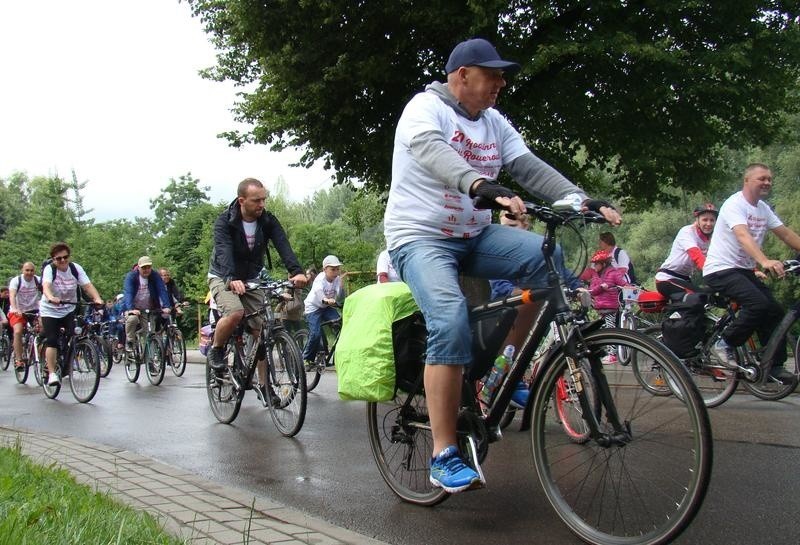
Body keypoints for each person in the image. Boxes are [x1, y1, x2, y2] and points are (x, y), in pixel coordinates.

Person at [383, 37, 621, 493]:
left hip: (474, 236)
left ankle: (501, 368)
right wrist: (478, 183)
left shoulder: (493, 121)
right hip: (421, 238)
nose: (501, 82)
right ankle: (443, 453)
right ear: (462, 75)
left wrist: (579, 198)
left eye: (502, 75)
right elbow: (435, 155)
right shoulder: (423, 109)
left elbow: (528, 167)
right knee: (450, 320)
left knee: (545, 260)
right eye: (492, 74)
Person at [206, 178, 307, 401]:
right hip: (223, 275)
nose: (262, 204)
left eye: (264, 199)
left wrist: (295, 271)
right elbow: (223, 250)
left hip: (251, 278)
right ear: (242, 201)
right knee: (235, 313)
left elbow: (282, 243)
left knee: (263, 331)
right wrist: (231, 277)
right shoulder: (225, 221)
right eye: (256, 200)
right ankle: (217, 348)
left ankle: (265, 386)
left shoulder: (267, 220)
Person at [703, 163, 800, 383]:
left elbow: (785, 234)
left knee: (774, 311)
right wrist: (764, 260)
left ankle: (773, 366)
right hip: (721, 270)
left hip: (743, 271)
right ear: (747, 180)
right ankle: (724, 343)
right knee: (758, 304)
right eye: (762, 178)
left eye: (769, 179)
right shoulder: (734, 205)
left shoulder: (763, 208)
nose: (767, 182)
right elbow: (743, 236)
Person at [39, 242, 103, 385]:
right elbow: (46, 286)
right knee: (52, 340)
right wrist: (50, 297)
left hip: (68, 308)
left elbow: (87, 285)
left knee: (74, 333)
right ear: (53, 259)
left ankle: (65, 360)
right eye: (58, 258)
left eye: (65, 257)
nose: (62, 261)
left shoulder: (75, 268)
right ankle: (51, 373)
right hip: (50, 309)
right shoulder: (50, 270)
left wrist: (97, 298)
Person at [655, 204, 718, 299]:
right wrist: (714, 276)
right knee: (699, 298)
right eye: (705, 220)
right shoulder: (687, 232)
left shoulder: (712, 238)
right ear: (697, 220)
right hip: (667, 278)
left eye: (712, 220)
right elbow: (697, 256)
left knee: (712, 297)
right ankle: (678, 314)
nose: (708, 224)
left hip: (684, 280)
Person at [583, 250, 627, 363]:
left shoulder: (613, 273)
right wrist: (601, 287)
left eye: (596, 264)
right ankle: (604, 352)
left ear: (603, 264)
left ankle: (612, 355)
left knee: (610, 329)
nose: (594, 266)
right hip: (600, 308)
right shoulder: (596, 277)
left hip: (610, 307)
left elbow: (624, 284)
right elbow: (592, 291)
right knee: (602, 330)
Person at [121, 256, 172, 352]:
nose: (146, 270)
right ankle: (130, 341)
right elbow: (128, 293)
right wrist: (131, 309)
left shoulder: (154, 276)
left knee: (150, 332)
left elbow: (162, 290)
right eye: (144, 268)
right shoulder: (131, 276)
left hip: (147, 308)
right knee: (132, 319)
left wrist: (166, 306)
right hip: (133, 307)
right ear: (139, 267)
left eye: (148, 267)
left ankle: (150, 358)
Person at [302, 255, 344, 365]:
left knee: (341, 327)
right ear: (325, 269)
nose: (336, 272)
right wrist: (325, 299)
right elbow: (318, 292)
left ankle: (339, 356)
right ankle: (307, 358)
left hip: (326, 308)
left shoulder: (337, 280)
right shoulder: (320, 278)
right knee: (315, 334)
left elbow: (339, 297)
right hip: (313, 308)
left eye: (337, 269)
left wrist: (341, 288)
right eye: (333, 269)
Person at [8, 262, 42, 368]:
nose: (29, 273)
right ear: (22, 270)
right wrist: (15, 308)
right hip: (18, 311)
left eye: (31, 270)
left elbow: (46, 292)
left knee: (43, 329)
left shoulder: (38, 280)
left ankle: (41, 355)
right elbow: (12, 296)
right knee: (18, 331)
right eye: (27, 270)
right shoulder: (16, 281)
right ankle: (19, 360)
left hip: (34, 310)